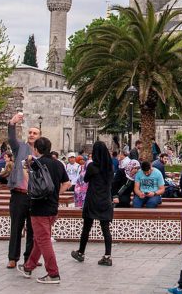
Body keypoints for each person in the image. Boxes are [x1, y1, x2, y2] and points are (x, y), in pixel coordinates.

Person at [18, 136, 70, 284]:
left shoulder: (36, 164)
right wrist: (55, 194)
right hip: (53, 208)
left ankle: (53, 273)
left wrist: (25, 167)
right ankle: (29, 266)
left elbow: (29, 183)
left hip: (39, 207)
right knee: (39, 239)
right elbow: (67, 183)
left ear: (36, 149)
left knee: (43, 240)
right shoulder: (58, 164)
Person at [71, 140, 115, 266]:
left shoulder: (92, 166)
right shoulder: (109, 167)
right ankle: (107, 256)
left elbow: (86, 179)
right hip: (105, 200)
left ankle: (81, 252)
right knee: (105, 229)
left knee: (86, 227)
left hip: (93, 199)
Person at [8, 112, 40, 269]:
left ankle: (29, 258)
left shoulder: (41, 153)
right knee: (16, 226)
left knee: (32, 229)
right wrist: (12, 124)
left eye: (35, 133)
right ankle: (13, 257)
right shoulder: (20, 147)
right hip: (19, 193)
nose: (32, 135)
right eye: (30, 132)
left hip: (34, 196)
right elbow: (11, 139)